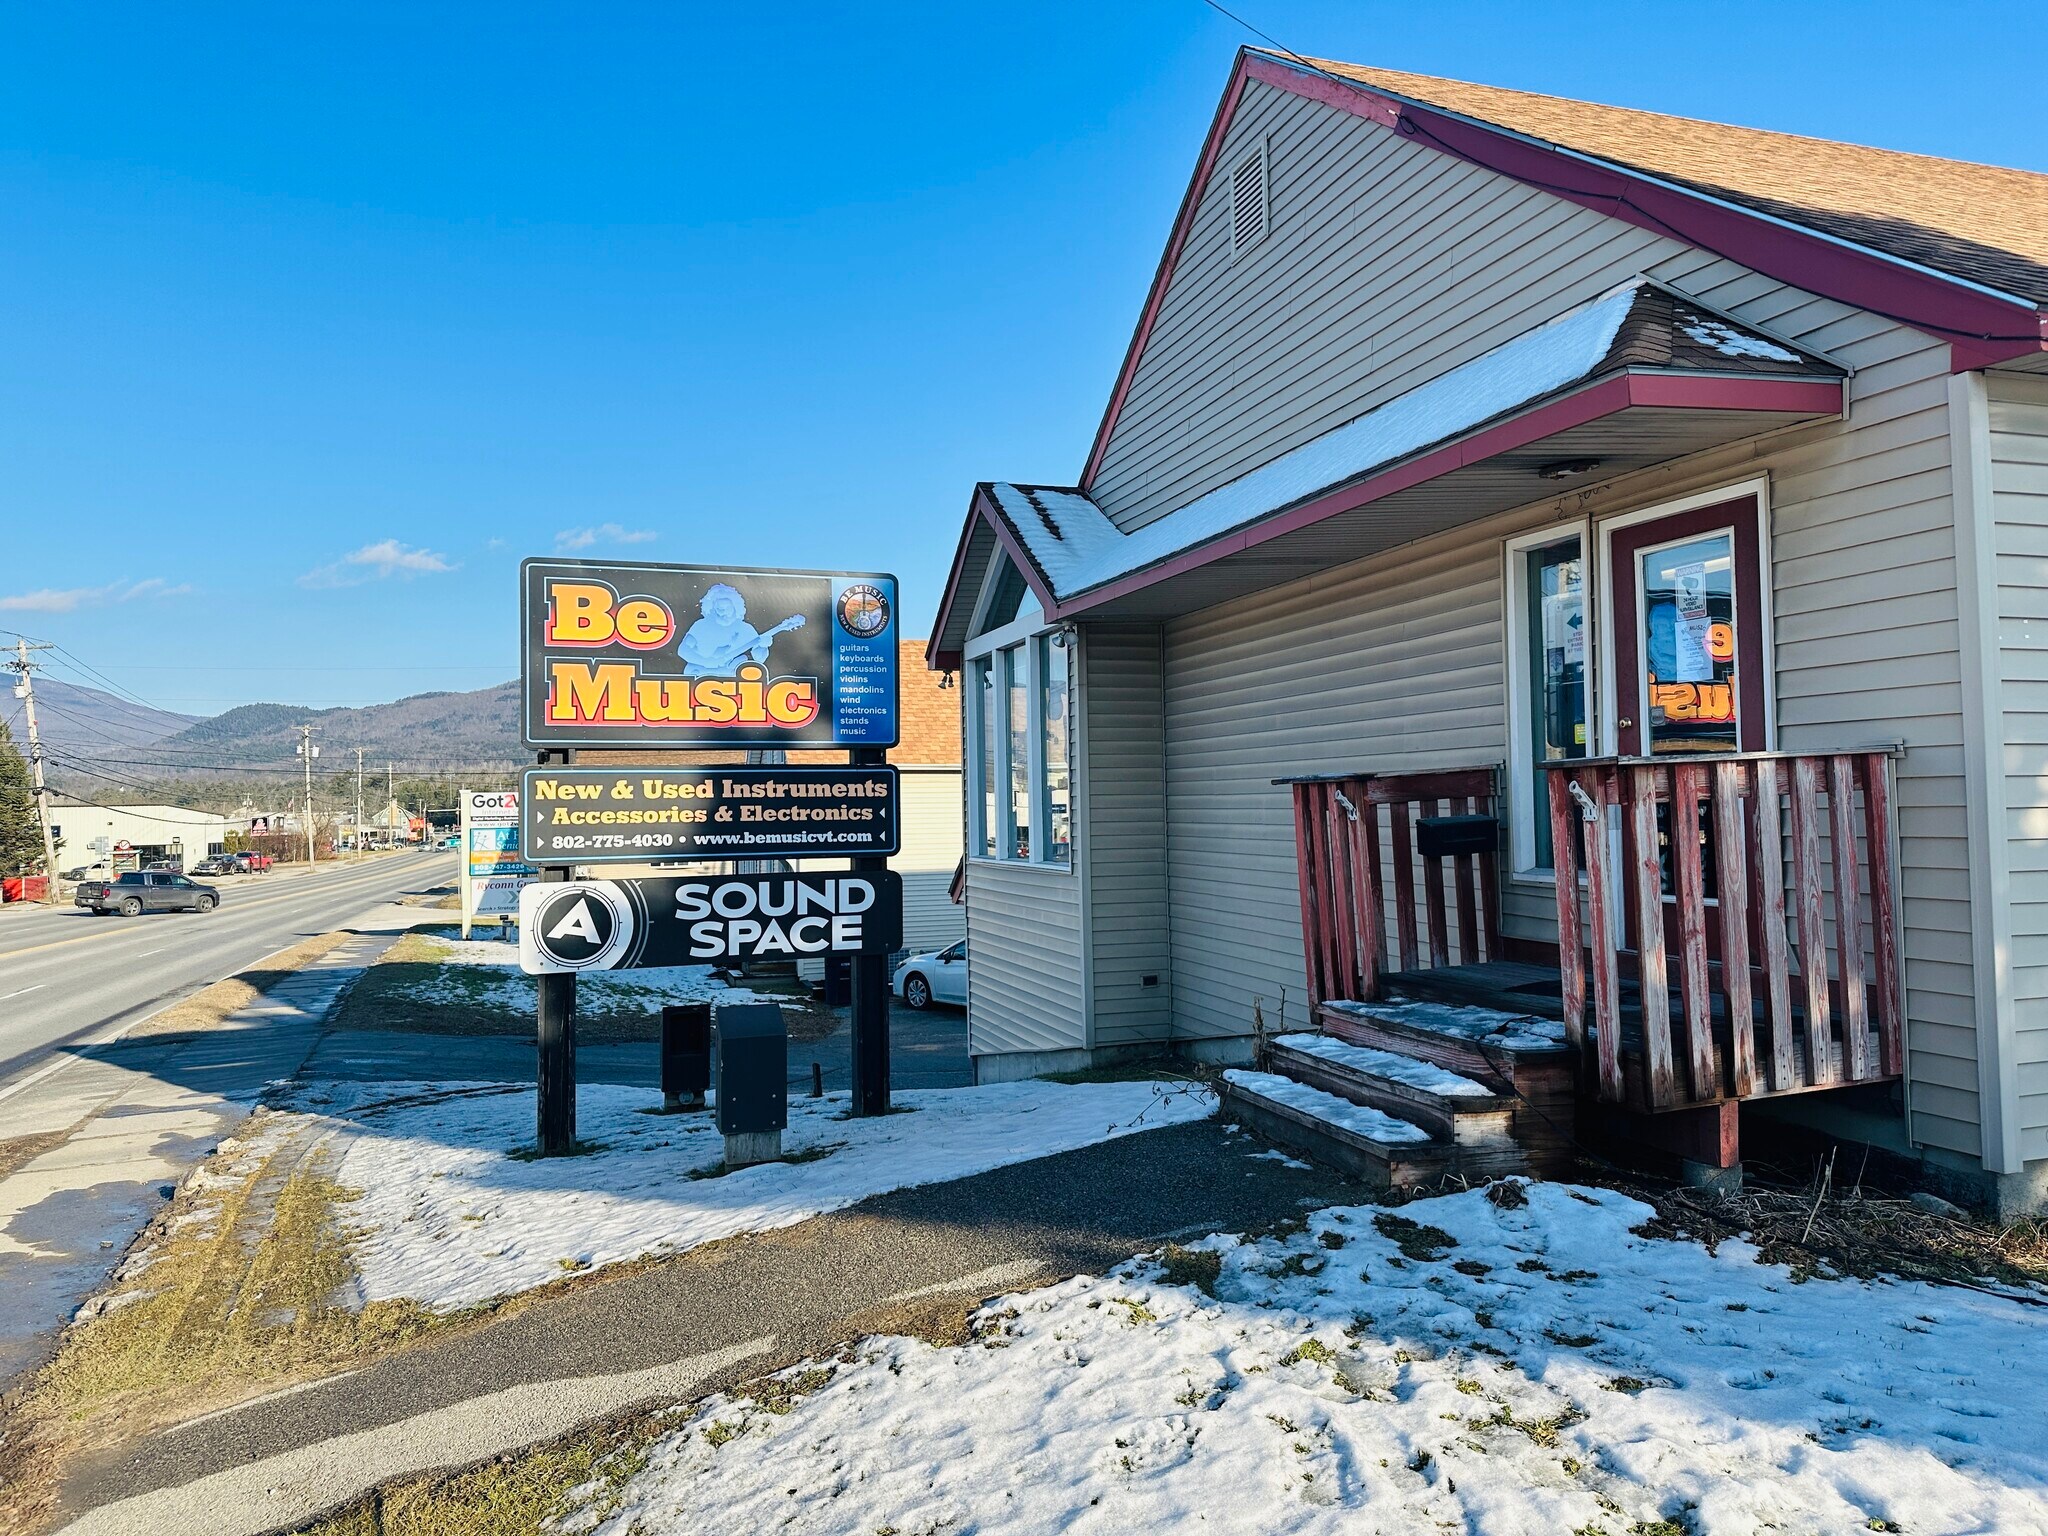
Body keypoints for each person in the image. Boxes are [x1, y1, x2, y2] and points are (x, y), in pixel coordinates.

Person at [675, 583, 804, 677]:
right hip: (698, 676)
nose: (722, 613)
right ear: (711, 608)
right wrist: (707, 662)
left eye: (726, 609)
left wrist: (763, 647)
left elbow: (759, 659)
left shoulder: (746, 629)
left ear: (735, 607)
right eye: (718, 609)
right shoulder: (701, 626)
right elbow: (683, 650)